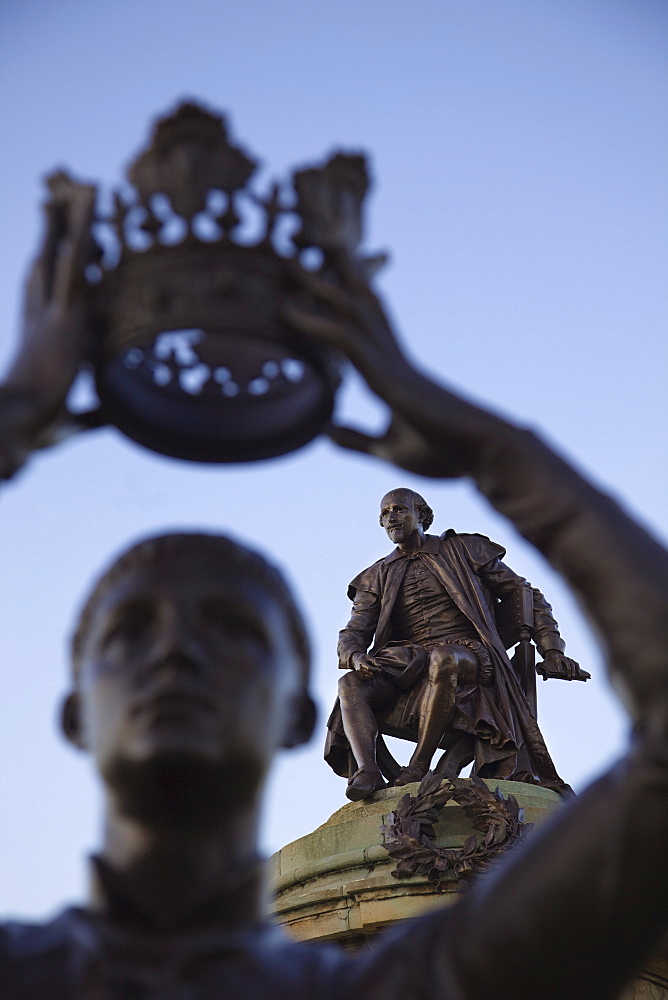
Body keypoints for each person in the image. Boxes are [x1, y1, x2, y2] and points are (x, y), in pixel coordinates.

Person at [2, 182, 668, 999]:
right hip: (401, 659)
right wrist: (21, 402)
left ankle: (418, 763)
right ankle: (384, 763)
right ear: (72, 709)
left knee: (456, 659)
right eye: (131, 631)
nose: (176, 649)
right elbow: (357, 629)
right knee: (370, 673)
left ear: (288, 714)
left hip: (461, 655)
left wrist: (492, 447)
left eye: (232, 631)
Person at [325, 485, 585, 801]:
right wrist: (354, 656)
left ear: (421, 514)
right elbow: (353, 631)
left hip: (470, 653)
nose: (391, 518)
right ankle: (368, 770)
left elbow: (525, 595)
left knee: (443, 658)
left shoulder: (464, 549)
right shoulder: (374, 576)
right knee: (349, 683)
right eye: (384, 514)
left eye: (399, 509)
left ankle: (419, 765)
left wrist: (552, 649)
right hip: (409, 659)